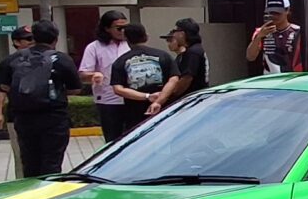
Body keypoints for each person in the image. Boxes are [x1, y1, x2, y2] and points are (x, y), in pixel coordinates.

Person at [0, 19, 81, 177]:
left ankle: (31, 190)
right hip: (54, 119)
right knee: (52, 163)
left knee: (29, 162)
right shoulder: (61, 59)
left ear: (34, 37)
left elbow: (3, 86)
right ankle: (48, 190)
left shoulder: (12, 60)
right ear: (56, 39)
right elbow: (75, 89)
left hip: (24, 119)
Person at [78, 10, 134, 143]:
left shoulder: (131, 44)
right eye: (119, 28)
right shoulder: (94, 47)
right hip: (108, 100)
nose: (123, 31)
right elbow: (83, 74)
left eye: (126, 27)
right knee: (113, 139)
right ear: (107, 28)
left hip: (132, 97)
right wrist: (94, 75)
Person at [107, 23, 175, 132]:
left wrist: (147, 96)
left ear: (125, 38)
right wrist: (159, 101)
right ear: (146, 36)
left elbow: (118, 89)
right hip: (164, 111)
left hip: (134, 115)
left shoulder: (120, 61)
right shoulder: (163, 55)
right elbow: (173, 80)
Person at [147, 19, 209, 115]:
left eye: (175, 31)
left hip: (192, 99)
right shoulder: (194, 50)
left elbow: (186, 79)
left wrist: (170, 95)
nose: (174, 35)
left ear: (182, 33)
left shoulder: (193, 52)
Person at [246, 0, 304, 75]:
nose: (274, 16)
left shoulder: (298, 31)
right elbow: (250, 57)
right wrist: (258, 37)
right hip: (270, 79)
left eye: (277, 13)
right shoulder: (261, 32)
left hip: (293, 78)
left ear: (287, 10)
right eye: (271, 12)